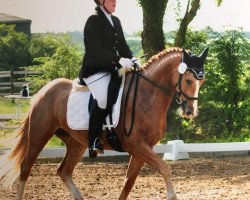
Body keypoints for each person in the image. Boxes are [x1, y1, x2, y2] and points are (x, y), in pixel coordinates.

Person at [79, 0, 141, 157]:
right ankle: (94, 140)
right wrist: (118, 59)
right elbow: (95, 49)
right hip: (95, 69)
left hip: (111, 68)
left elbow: (122, 45)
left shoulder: (115, 20)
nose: (115, 1)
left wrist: (132, 58)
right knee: (102, 100)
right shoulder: (94, 20)